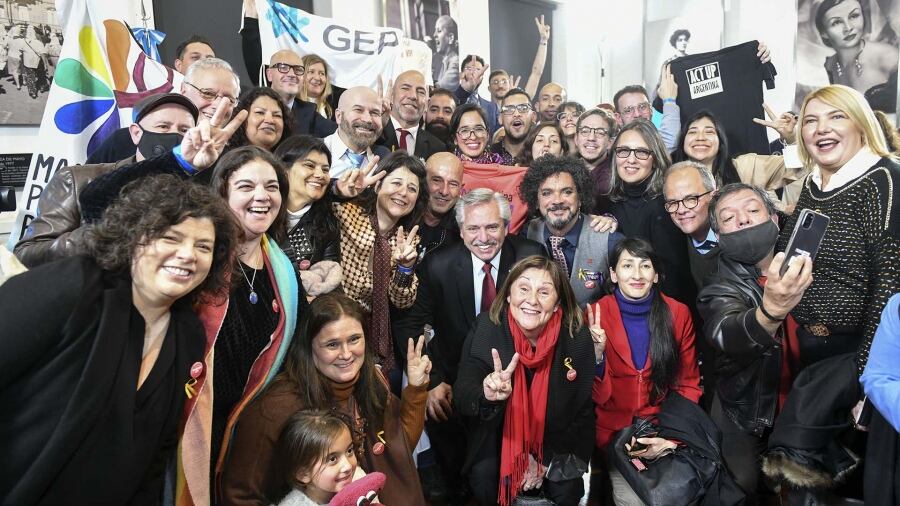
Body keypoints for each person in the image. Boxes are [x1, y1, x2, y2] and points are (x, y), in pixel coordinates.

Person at [0, 174, 238, 504]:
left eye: (204, 247)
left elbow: (155, 459)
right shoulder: (75, 286)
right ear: (132, 237)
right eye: (171, 238)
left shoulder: (188, 334)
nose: (188, 255)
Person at [762, 84, 900, 501]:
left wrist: (865, 381)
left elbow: (890, 287)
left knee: (813, 471)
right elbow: (793, 250)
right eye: (810, 120)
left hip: (856, 356)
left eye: (835, 116)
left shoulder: (883, 180)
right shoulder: (815, 182)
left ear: (861, 123)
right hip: (811, 352)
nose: (821, 128)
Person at [393, 189, 545, 503]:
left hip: (519, 388)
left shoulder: (531, 257)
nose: (484, 237)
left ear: (506, 227)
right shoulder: (439, 265)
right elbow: (409, 324)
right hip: (452, 385)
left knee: (497, 481)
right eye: (473, 229)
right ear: (461, 231)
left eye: (492, 227)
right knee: (456, 480)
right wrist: (432, 382)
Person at [222, 292, 430, 505]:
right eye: (332, 344)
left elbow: (397, 453)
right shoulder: (275, 409)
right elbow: (240, 497)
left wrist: (416, 390)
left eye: (354, 339)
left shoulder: (371, 381)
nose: (347, 354)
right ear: (308, 347)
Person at [697, 184, 812, 504]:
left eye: (752, 210)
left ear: (774, 219)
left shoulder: (807, 262)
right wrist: (770, 312)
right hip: (746, 404)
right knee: (741, 487)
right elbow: (725, 331)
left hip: (806, 400)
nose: (743, 220)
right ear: (719, 237)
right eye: (729, 218)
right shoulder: (718, 282)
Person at [454, 255, 595, 506]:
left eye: (544, 292)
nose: (531, 300)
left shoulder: (576, 337)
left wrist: (543, 460)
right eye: (524, 288)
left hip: (556, 443)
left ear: (557, 303)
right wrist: (486, 395)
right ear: (508, 294)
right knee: (484, 478)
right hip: (499, 439)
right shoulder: (488, 327)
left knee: (567, 491)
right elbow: (464, 392)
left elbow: (581, 412)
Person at [15, 92, 200, 267]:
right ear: (136, 133)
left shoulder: (194, 190)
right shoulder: (78, 180)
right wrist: (102, 233)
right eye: (163, 126)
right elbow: (27, 254)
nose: (175, 135)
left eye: (185, 130)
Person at [589, 238, 702, 505]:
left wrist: (671, 439)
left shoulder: (678, 313)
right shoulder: (594, 314)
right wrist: (596, 355)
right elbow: (595, 396)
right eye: (627, 265)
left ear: (656, 275)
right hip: (616, 437)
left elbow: (687, 384)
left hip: (664, 431)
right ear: (614, 274)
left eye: (645, 266)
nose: (637, 275)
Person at [332, 150, 426, 372]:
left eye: (412, 189)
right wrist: (338, 191)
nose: (403, 193)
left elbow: (402, 302)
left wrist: (405, 268)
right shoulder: (345, 213)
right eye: (396, 183)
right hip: (334, 326)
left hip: (373, 335)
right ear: (377, 186)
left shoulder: (408, 240)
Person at [605, 119, 695, 305]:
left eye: (641, 152)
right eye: (623, 151)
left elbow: (674, 278)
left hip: (662, 309)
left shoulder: (667, 205)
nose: (631, 159)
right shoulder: (608, 202)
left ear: (655, 159)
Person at [86, 57, 242, 164]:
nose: (218, 105)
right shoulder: (124, 141)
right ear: (184, 89)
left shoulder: (236, 157)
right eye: (208, 94)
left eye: (229, 99)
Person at [521, 155, 622, 306]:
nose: (557, 200)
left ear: (581, 197)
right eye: (547, 193)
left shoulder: (609, 240)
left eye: (567, 192)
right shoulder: (526, 234)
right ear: (536, 201)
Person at [670, 108, 807, 211]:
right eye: (693, 131)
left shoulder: (744, 168)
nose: (700, 137)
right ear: (683, 141)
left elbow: (796, 168)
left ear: (720, 141)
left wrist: (791, 139)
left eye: (709, 131)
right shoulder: (672, 178)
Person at [273, 135, 342, 294]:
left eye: (325, 169)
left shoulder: (327, 223)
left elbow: (330, 280)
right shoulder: (263, 212)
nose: (320, 175)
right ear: (284, 169)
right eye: (310, 165)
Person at [814, 0, 899, 112]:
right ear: (824, 33)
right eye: (836, 23)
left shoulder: (888, 57)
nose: (848, 28)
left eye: (854, 16)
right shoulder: (829, 66)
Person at [273, 410, 366, 505]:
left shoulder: (359, 480)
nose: (348, 466)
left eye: (349, 451)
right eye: (332, 459)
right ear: (303, 474)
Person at [662, 161, 719, 289]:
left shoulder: (736, 237)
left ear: (713, 197)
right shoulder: (673, 245)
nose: (681, 210)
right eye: (673, 202)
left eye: (691, 199)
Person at [265, 49, 337, 138]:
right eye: (283, 68)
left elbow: (340, 134)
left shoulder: (309, 113)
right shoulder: (250, 105)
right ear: (269, 74)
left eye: (298, 70)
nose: (292, 74)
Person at [377, 70, 445, 160]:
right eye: (405, 88)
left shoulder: (437, 148)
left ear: (427, 104)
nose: (413, 96)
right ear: (392, 96)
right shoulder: (373, 134)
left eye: (421, 92)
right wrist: (376, 127)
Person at [324, 86, 390, 178]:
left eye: (375, 113)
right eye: (358, 110)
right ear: (339, 116)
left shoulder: (385, 158)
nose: (368, 119)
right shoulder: (311, 151)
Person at [486, 15, 551, 104]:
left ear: (509, 85)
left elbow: (536, 73)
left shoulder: (521, 103)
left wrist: (544, 41)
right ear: (489, 88)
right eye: (495, 82)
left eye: (504, 82)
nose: (500, 85)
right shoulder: (485, 111)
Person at [419, 152, 464, 256]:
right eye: (437, 180)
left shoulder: (463, 233)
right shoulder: (402, 219)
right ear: (423, 181)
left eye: (453, 184)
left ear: (460, 189)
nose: (444, 191)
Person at [613, 83, 680, 151]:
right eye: (628, 110)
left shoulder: (661, 143)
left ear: (651, 109)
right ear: (619, 118)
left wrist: (669, 101)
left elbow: (669, 141)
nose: (637, 114)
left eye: (642, 107)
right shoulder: (613, 149)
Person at [575, 108, 618, 213]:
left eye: (600, 133)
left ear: (610, 142)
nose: (591, 138)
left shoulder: (617, 177)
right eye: (585, 131)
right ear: (576, 139)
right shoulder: (566, 170)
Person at [228, 86, 294, 152]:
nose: (270, 120)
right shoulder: (225, 158)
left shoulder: (293, 161)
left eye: (277, 115)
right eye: (260, 112)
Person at [455, 54, 500, 135]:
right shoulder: (451, 100)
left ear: (482, 77)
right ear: (461, 74)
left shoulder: (493, 108)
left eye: (478, 69)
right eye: (469, 68)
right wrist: (465, 90)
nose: (473, 72)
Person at [492, 88, 537, 163]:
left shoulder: (541, 154)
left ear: (533, 117)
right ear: (500, 118)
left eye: (523, 108)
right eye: (509, 109)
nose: (516, 114)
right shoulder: (488, 156)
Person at [300, 53, 335, 119]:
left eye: (321, 73)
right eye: (311, 72)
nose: (317, 78)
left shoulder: (334, 108)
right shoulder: (290, 106)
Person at [433, 14, 460, 90]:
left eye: (439, 31)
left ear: (450, 38)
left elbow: (439, 88)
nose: (434, 35)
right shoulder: (442, 60)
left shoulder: (455, 61)